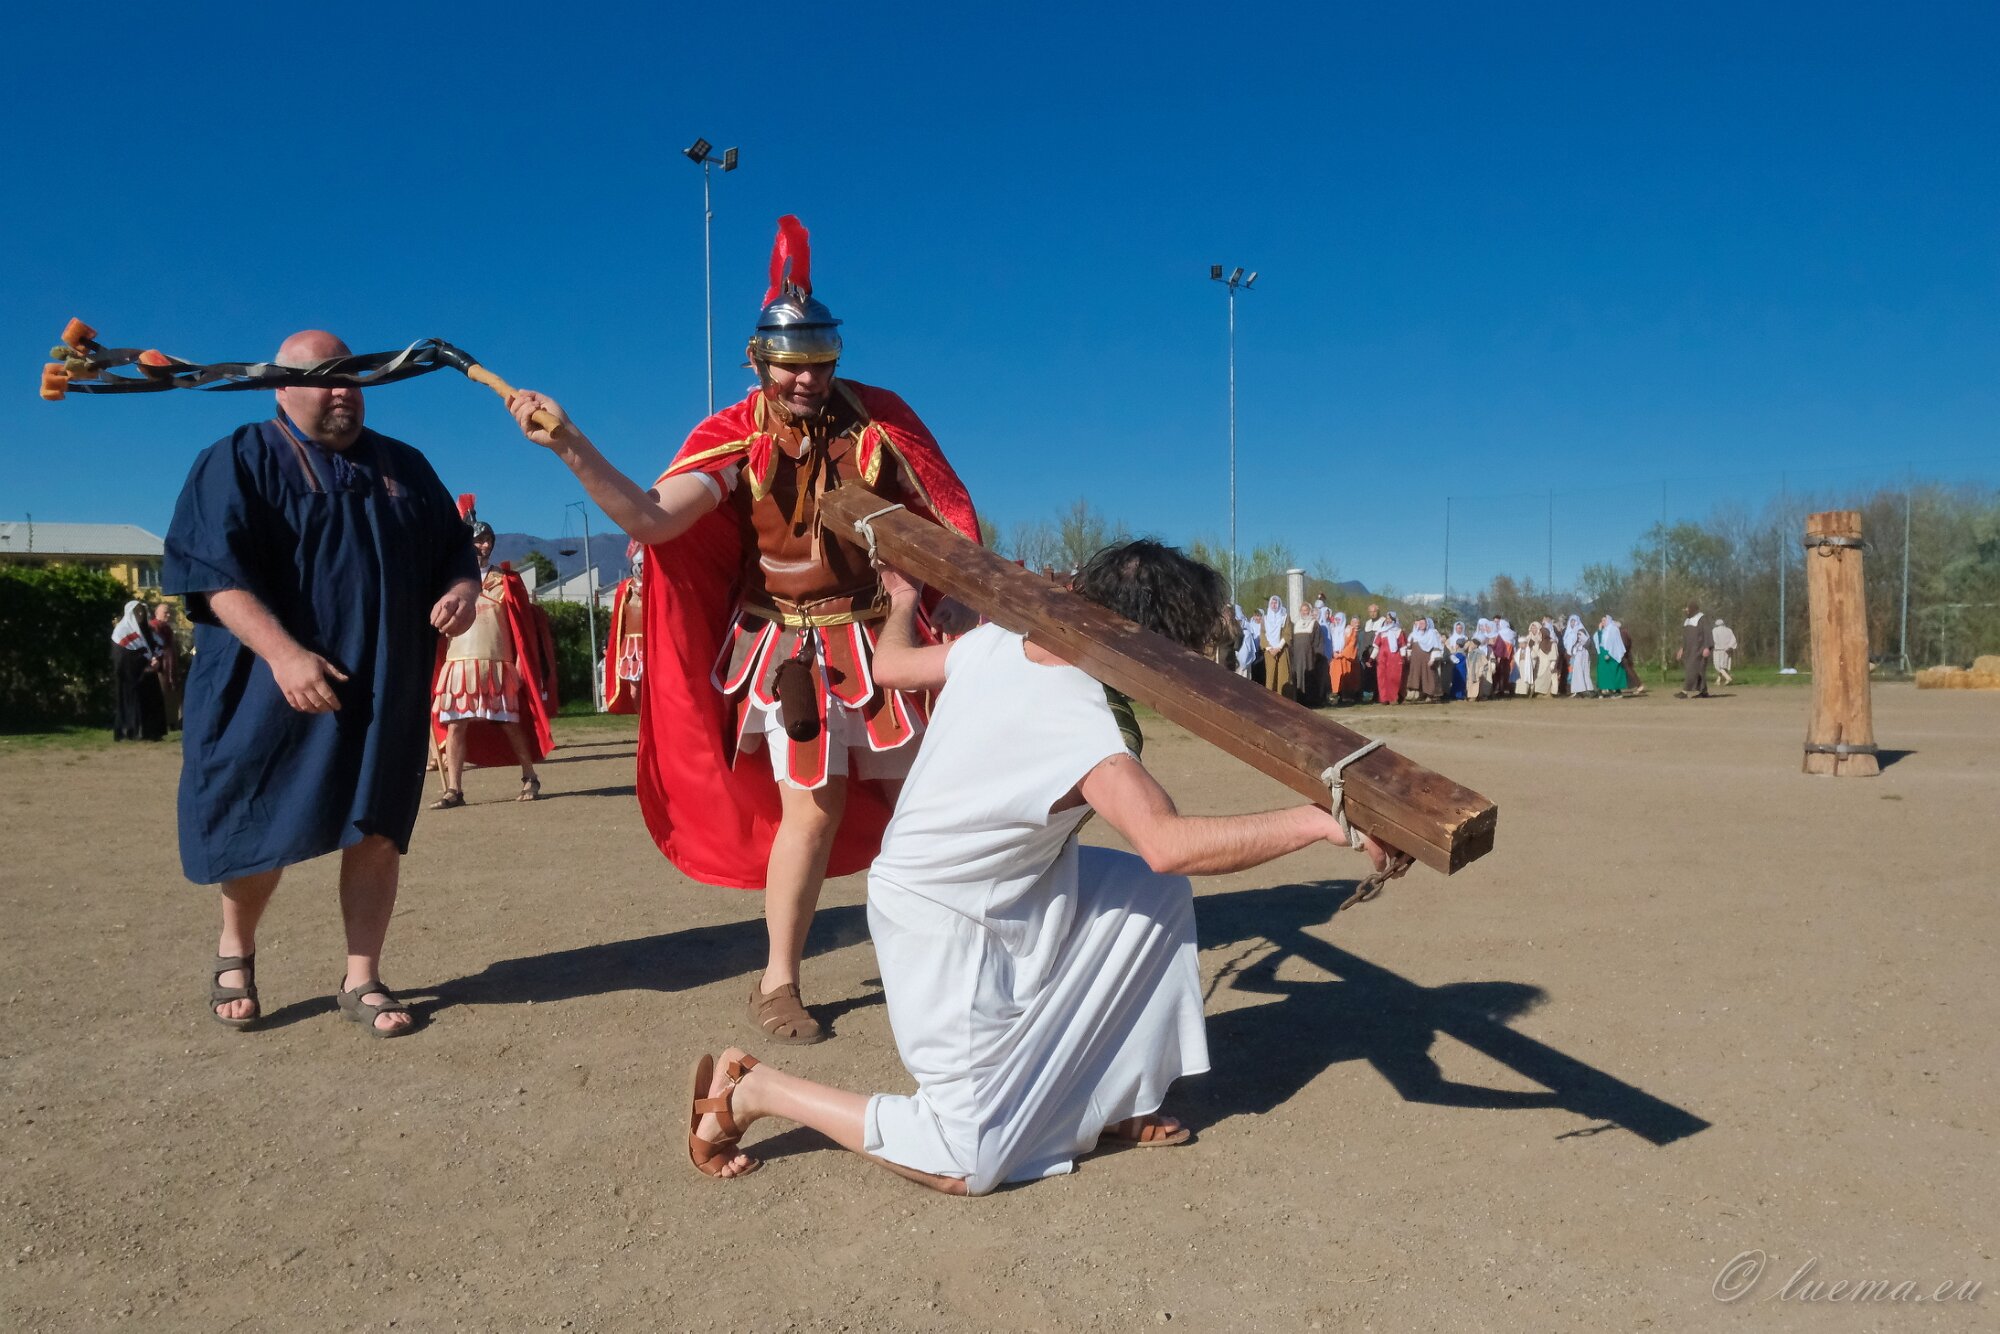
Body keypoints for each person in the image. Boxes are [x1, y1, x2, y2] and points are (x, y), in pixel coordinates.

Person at [683, 541, 1409, 1192]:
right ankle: (754, 1089)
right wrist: (1323, 821)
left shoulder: (1000, 639)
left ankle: (1115, 1102)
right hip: (940, 917)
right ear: (1149, 643)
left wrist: (901, 602)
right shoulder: (1086, 723)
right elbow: (1168, 842)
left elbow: (891, 666)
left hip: (1019, 886)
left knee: (1148, 896)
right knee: (966, 1157)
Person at [504, 217, 978, 1046]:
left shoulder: (878, 422)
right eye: (790, 362)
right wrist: (571, 446)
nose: (806, 377)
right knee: (813, 812)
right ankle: (778, 981)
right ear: (759, 360)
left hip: (880, 639)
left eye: (819, 360)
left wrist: (969, 602)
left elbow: (948, 520)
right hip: (789, 649)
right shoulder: (736, 437)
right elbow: (653, 520)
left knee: (928, 806)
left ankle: (948, 961)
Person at [164, 329, 479, 1037]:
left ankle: (362, 976)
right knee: (259, 823)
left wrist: (462, 589)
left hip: (385, 682)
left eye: (352, 378)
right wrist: (283, 655)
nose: (343, 391)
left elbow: (454, 547)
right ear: (281, 387)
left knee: (377, 827)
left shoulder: (404, 465)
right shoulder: (237, 459)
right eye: (324, 378)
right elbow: (211, 574)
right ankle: (235, 951)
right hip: (265, 682)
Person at [428, 502, 557, 807]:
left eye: (488, 540)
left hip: (497, 664)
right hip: (458, 664)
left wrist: (522, 663)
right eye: (478, 540)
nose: (484, 545)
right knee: (456, 724)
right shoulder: (448, 583)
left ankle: (530, 776)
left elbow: (522, 629)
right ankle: (454, 790)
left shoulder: (506, 582)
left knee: (508, 723)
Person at [110, 600, 166, 740]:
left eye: (142, 611)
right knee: (132, 703)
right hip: (130, 678)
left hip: (149, 675)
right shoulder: (121, 632)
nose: (141, 614)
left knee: (151, 702)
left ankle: (151, 733)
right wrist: (143, 664)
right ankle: (131, 731)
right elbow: (122, 657)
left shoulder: (147, 631)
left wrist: (156, 660)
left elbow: (156, 646)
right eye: (137, 611)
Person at [604, 541, 647, 714]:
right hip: (630, 647)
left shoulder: (655, 587)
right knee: (634, 692)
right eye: (640, 565)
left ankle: (654, 724)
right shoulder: (625, 589)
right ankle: (642, 723)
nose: (643, 568)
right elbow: (617, 622)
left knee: (654, 689)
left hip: (652, 645)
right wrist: (608, 645)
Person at [150, 601, 183, 730]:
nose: (168, 615)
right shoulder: (153, 626)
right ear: (157, 613)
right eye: (165, 612)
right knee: (162, 693)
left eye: (169, 612)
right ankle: (162, 722)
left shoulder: (167, 628)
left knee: (172, 694)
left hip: (170, 665)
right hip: (160, 665)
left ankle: (172, 721)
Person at [1675, 602, 1714, 699]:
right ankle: (1703, 691)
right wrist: (1682, 648)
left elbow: (1707, 633)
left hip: (1699, 649)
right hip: (1689, 650)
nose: (1686, 611)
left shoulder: (1702, 619)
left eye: (1687, 609)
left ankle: (1684, 691)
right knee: (1699, 670)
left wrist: (1707, 647)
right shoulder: (1687, 620)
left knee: (1691, 669)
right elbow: (1685, 637)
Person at [1260, 596, 1290, 696]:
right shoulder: (1265, 618)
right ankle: (1270, 700)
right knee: (1270, 677)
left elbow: (1287, 634)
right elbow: (1262, 634)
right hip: (1269, 651)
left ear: (1279, 604)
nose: (1274, 605)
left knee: (1283, 676)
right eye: (1272, 603)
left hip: (1282, 650)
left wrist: (1278, 648)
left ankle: (1283, 700)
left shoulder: (1285, 617)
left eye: (1276, 603)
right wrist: (1269, 648)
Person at [1373, 612, 1405, 705]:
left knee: (1393, 677)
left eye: (1390, 618)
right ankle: (1384, 698)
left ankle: (1393, 698)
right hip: (1382, 657)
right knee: (1382, 677)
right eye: (1387, 618)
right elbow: (1376, 646)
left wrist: (1403, 656)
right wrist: (1371, 658)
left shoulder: (1398, 631)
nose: (1388, 620)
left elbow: (1402, 645)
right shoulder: (1381, 631)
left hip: (1394, 657)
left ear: (1394, 619)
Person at [1289, 601, 1318, 703]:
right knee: (1298, 677)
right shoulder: (1296, 624)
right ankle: (1299, 699)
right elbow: (1292, 641)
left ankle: (1309, 701)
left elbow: (1317, 641)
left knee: (1308, 676)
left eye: (1306, 610)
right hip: (1297, 657)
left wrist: (1315, 655)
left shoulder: (1314, 624)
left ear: (1310, 611)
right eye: (1302, 610)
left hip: (1309, 656)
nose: (1304, 612)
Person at [1594, 615, 1629, 696]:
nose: (1602, 622)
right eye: (1602, 621)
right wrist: (1599, 630)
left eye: (1604, 620)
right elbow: (1599, 641)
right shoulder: (1604, 630)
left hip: (1612, 653)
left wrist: (1609, 653)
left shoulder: (1613, 629)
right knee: (1603, 672)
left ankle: (1617, 690)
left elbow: (1614, 642)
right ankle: (1605, 688)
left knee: (1613, 672)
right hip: (1603, 653)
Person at [1564, 614, 1595, 696]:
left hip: (1580, 654)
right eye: (1571, 621)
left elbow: (1587, 642)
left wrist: (1578, 646)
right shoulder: (1568, 632)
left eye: (1574, 621)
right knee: (1572, 672)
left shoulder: (1580, 630)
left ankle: (1583, 689)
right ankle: (1576, 690)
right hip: (1571, 656)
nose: (1572, 623)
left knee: (1581, 671)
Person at [1232, 604, 1261, 680]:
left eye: (1238, 621)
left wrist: (1242, 663)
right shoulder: (1231, 631)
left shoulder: (1246, 633)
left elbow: (1246, 654)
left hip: (1243, 666)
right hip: (1233, 664)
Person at [1533, 617, 1560, 696]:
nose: (1539, 635)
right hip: (1541, 665)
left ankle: (1553, 693)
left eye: (1541, 633)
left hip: (1550, 665)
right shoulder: (1539, 643)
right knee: (1540, 677)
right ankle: (1539, 692)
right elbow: (1535, 653)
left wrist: (1552, 664)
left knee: (1553, 677)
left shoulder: (1552, 643)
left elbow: (1554, 655)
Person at [1710, 616, 1737, 686]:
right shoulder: (1729, 630)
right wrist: (1730, 646)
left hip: (1718, 650)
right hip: (1727, 650)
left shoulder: (1714, 630)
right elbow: (1733, 639)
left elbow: (1714, 640)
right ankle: (1718, 681)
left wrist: (1712, 646)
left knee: (1718, 666)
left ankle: (1728, 678)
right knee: (1724, 666)